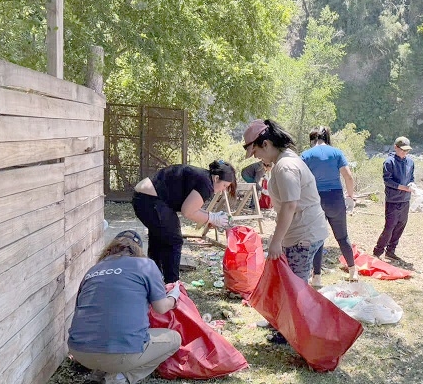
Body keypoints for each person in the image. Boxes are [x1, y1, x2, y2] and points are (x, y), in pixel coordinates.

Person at [67, 230, 183, 384]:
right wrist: (174, 296)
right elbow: (161, 308)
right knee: (174, 339)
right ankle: (121, 377)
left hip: (79, 351)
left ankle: (99, 372)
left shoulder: (93, 270)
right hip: (120, 354)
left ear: (110, 248)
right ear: (138, 250)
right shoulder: (145, 265)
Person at [242, 119, 327, 283]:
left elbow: (290, 205)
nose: (256, 157)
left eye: (255, 152)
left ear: (265, 144)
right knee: (293, 284)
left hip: (303, 234)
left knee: (295, 287)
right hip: (303, 230)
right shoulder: (284, 161)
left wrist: (276, 241)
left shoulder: (285, 166)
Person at [132, 162, 237, 283]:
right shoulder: (206, 184)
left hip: (144, 197)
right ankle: (172, 284)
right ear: (217, 178)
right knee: (174, 240)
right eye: (224, 186)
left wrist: (210, 218)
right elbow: (188, 211)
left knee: (159, 238)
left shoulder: (203, 177)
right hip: (150, 200)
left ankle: (153, 280)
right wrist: (212, 218)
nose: (222, 191)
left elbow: (193, 208)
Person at [301, 126, 358, 286]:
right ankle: (353, 270)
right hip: (335, 197)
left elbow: (299, 179)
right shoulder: (337, 152)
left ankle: (317, 277)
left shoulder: (306, 155)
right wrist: (350, 197)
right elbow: (348, 177)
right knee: (342, 236)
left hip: (315, 199)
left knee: (318, 238)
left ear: (313, 139)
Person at [373, 136, 415, 261]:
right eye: (402, 150)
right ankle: (377, 252)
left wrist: (412, 185)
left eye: (407, 150)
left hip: (405, 200)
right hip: (393, 200)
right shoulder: (389, 162)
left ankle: (391, 251)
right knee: (389, 227)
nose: (405, 153)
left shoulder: (410, 162)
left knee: (401, 225)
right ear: (396, 148)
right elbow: (387, 181)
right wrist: (402, 187)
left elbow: (411, 177)